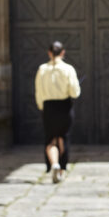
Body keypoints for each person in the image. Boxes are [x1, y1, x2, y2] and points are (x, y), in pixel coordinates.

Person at [35, 40, 81, 182]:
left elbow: (39, 92)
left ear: (49, 53)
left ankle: (53, 163)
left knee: (50, 138)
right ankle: (61, 170)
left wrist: (42, 107)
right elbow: (74, 92)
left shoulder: (42, 69)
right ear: (63, 52)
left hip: (48, 107)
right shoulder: (68, 69)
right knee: (63, 137)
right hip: (64, 106)